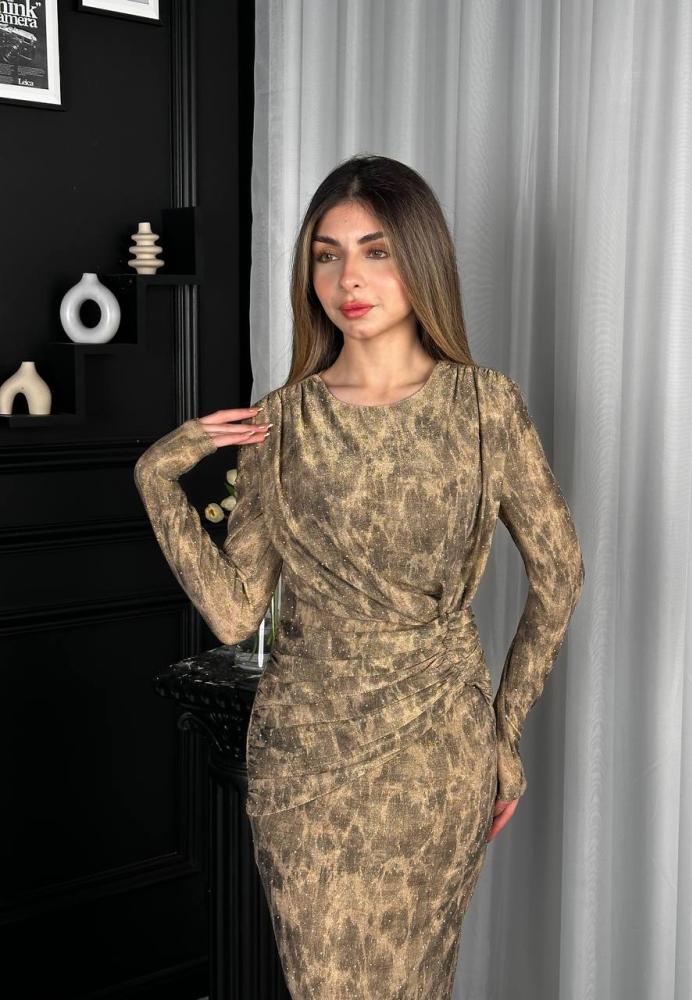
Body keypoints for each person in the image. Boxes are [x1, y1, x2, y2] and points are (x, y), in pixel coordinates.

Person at [134, 153, 585, 999]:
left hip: (437, 754)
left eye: (376, 251)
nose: (349, 278)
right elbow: (234, 615)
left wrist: (504, 733)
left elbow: (560, 573)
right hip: (305, 759)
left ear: (422, 258)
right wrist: (159, 477)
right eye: (327, 255)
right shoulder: (283, 421)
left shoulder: (484, 406)